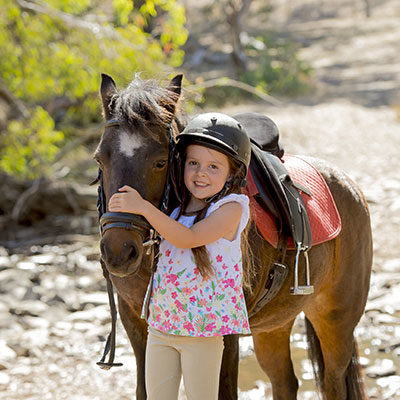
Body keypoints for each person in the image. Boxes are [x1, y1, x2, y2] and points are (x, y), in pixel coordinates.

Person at [108, 112, 252, 400]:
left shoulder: (232, 209)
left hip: (202, 333)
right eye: (193, 163)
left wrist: (143, 208)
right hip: (161, 328)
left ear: (233, 173)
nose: (201, 173)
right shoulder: (174, 211)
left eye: (213, 166)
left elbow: (188, 239)